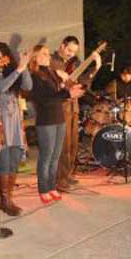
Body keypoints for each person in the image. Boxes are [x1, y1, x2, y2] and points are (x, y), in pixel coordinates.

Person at [29, 44, 85, 203]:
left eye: (48, 53)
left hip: (59, 118)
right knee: (46, 157)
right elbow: (44, 99)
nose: (48, 56)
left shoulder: (52, 73)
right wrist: (68, 93)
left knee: (55, 157)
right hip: (46, 120)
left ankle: (52, 186)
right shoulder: (35, 76)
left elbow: (58, 94)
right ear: (35, 58)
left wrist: (71, 90)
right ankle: (43, 189)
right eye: (44, 54)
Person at [0, 42, 32, 216]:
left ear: (5, 56)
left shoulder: (11, 71)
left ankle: (8, 198)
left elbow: (28, 86)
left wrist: (23, 66)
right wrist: (19, 69)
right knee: (3, 161)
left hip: (14, 121)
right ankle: (4, 201)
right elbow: (2, 88)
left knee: (14, 160)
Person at [51, 36, 102, 192]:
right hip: (59, 107)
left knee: (73, 144)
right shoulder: (52, 61)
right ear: (62, 46)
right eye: (69, 50)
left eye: (74, 52)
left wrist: (96, 66)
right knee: (63, 145)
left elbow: (83, 83)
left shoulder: (74, 63)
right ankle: (59, 180)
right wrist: (58, 73)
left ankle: (68, 175)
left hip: (73, 107)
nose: (71, 54)